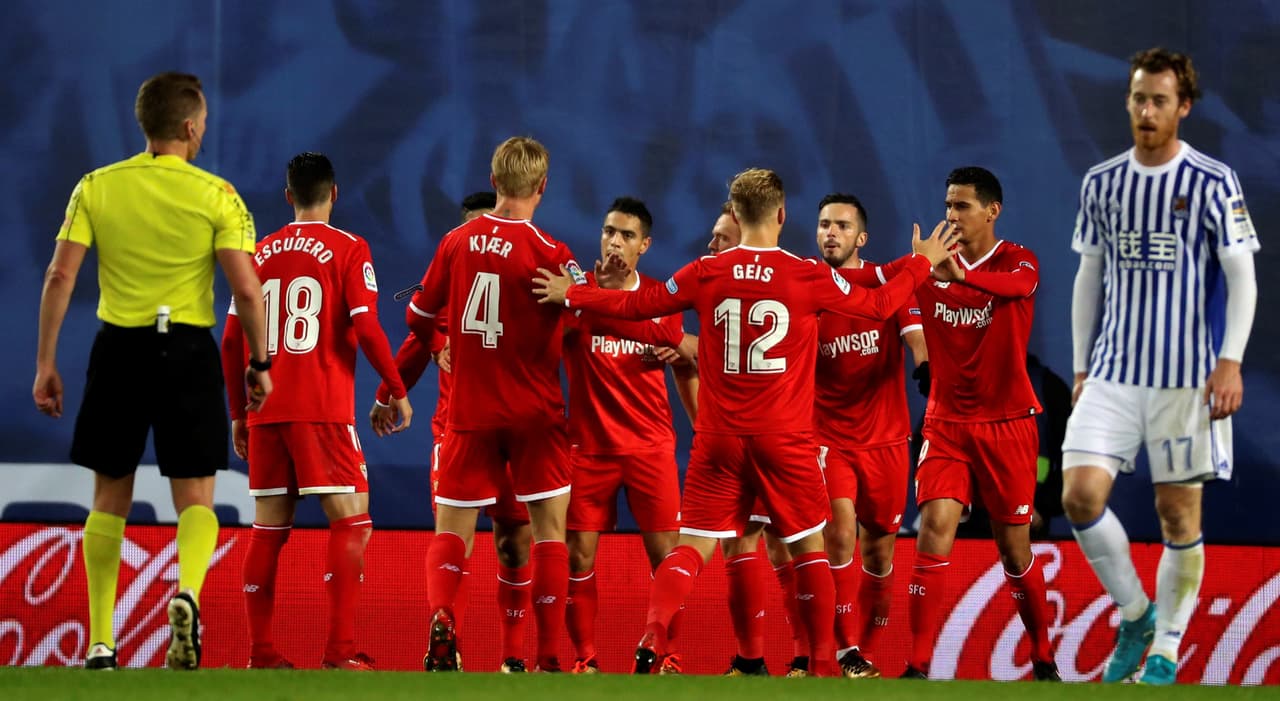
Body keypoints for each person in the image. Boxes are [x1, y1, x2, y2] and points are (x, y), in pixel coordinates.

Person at [534, 168, 958, 676]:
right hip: (786, 439)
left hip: (719, 439)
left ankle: (654, 629)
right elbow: (879, 303)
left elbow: (637, 303)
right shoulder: (805, 273)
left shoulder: (705, 271)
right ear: (782, 215)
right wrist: (921, 262)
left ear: (735, 215)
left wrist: (574, 294)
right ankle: (822, 662)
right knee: (808, 550)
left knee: (692, 546)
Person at [31, 71, 271, 671]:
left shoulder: (96, 186)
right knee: (195, 497)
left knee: (109, 497)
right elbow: (246, 289)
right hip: (187, 350)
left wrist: (45, 363)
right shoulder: (218, 194)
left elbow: (60, 277)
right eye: (205, 123)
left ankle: (101, 642)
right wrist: (259, 362)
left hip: (118, 349)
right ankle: (187, 592)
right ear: (190, 127)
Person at [1061, 48, 1259, 686]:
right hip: (1113, 372)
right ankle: (1136, 612)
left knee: (1179, 515)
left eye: (1160, 101)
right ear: (1128, 100)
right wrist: (1081, 364)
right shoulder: (1102, 182)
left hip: (1185, 380)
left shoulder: (1212, 180)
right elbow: (1088, 275)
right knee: (1078, 495)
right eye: (1139, 98)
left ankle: (1166, 650)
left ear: (1184, 107)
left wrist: (1229, 361)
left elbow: (1243, 278)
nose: (1147, 111)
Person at [222, 152, 411, 670]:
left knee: (268, 529)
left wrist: (239, 412)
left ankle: (261, 653)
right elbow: (367, 326)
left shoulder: (258, 253)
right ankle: (340, 653)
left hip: (266, 412)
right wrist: (396, 387)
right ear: (335, 193)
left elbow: (231, 340)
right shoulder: (349, 247)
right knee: (351, 523)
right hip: (322, 409)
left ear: (288, 197)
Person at [408, 136, 581, 673]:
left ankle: (442, 619)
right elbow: (581, 323)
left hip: (470, 411)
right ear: (543, 186)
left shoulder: (456, 242)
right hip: (534, 414)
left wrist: (447, 344)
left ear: (495, 179)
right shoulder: (554, 255)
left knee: (451, 531)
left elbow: (417, 315)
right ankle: (548, 656)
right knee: (547, 533)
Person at [896, 167, 1059, 682]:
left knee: (1014, 550)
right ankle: (919, 665)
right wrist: (922, 350)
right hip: (947, 424)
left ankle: (1043, 656)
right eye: (947, 205)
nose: (951, 216)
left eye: (962, 206)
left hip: (1009, 425)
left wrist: (957, 276)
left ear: (992, 211)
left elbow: (1019, 286)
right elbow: (899, 306)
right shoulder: (928, 269)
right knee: (935, 529)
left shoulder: (1018, 260)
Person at [373, 191, 539, 673]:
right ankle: (506, 655)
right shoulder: (480, 285)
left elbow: (415, 339)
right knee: (510, 541)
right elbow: (417, 342)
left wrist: (387, 396)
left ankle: (456, 635)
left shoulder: (470, 293)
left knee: (469, 539)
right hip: (497, 434)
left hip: (463, 433)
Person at [562, 197, 697, 674]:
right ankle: (585, 660)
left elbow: (678, 343)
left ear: (645, 245)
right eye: (608, 232)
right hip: (589, 450)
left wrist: (670, 345)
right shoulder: (573, 299)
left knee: (666, 560)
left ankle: (668, 655)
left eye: (626, 235)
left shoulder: (662, 298)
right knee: (577, 559)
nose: (614, 242)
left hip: (649, 449)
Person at [811, 193, 928, 678]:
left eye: (841, 225)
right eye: (823, 224)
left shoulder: (888, 282)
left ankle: (866, 658)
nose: (830, 233)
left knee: (880, 553)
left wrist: (925, 366)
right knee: (839, 535)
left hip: (885, 441)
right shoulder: (807, 287)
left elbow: (915, 336)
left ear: (861, 238)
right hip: (828, 438)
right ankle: (843, 650)